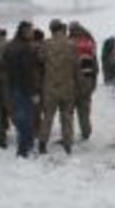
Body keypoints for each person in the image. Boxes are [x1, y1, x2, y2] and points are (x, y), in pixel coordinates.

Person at [39, 20, 78, 155]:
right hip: (68, 86)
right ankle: (68, 144)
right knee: (67, 117)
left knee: (48, 116)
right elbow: (76, 66)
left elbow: (40, 59)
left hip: (50, 86)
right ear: (61, 29)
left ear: (51, 30)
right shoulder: (71, 44)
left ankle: (43, 143)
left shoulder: (46, 44)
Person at [3, 21, 38, 158]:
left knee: (20, 117)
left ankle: (25, 147)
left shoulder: (11, 45)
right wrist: (33, 91)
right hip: (24, 88)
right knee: (26, 119)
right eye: (30, 31)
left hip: (13, 86)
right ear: (24, 31)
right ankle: (24, 149)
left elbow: (4, 64)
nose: (32, 33)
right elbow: (27, 72)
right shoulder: (24, 48)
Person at [69, 21, 98, 140]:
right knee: (84, 108)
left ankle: (69, 134)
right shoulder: (90, 41)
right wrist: (94, 80)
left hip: (74, 80)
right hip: (88, 78)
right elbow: (95, 62)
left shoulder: (70, 43)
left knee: (69, 109)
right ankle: (86, 132)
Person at [30, 28, 46, 139]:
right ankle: (37, 129)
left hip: (30, 82)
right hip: (39, 82)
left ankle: (35, 128)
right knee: (37, 107)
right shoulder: (39, 48)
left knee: (34, 106)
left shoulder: (27, 46)